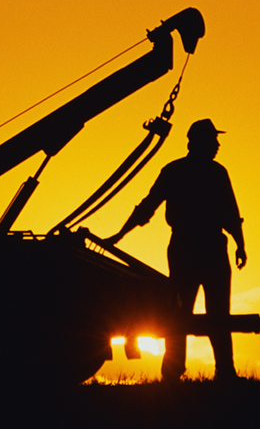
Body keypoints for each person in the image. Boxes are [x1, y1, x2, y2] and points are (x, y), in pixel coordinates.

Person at [105, 118, 246, 381]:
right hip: (202, 247)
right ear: (197, 142)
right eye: (213, 140)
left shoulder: (180, 171)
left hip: (193, 247)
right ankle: (210, 370)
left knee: (185, 312)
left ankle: (186, 370)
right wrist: (240, 244)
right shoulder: (210, 172)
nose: (217, 145)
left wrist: (240, 243)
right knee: (203, 312)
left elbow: (228, 212)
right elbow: (229, 212)